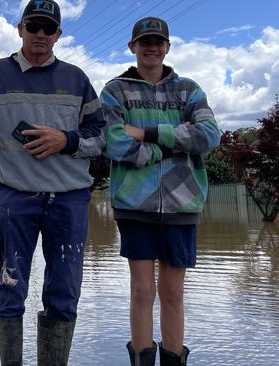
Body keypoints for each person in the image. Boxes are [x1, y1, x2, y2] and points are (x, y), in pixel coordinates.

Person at [0, 1, 106, 364]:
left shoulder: (77, 79)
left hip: (70, 200)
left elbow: (101, 135)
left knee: (64, 292)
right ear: (20, 29)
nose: (40, 35)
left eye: (49, 28)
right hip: (14, 198)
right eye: (34, 26)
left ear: (59, 34)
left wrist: (67, 140)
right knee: (11, 287)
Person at [100, 16, 221, 366]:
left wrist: (146, 132)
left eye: (158, 41)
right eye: (144, 41)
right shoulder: (115, 90)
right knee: (141, 292)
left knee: (172, 294)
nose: (151, 47)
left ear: (167, 46)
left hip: (184, 204)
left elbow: (209, 137)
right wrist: (173, 140)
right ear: (132, 47)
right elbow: (113, 142)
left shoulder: (189, 90)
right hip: (134, 204)